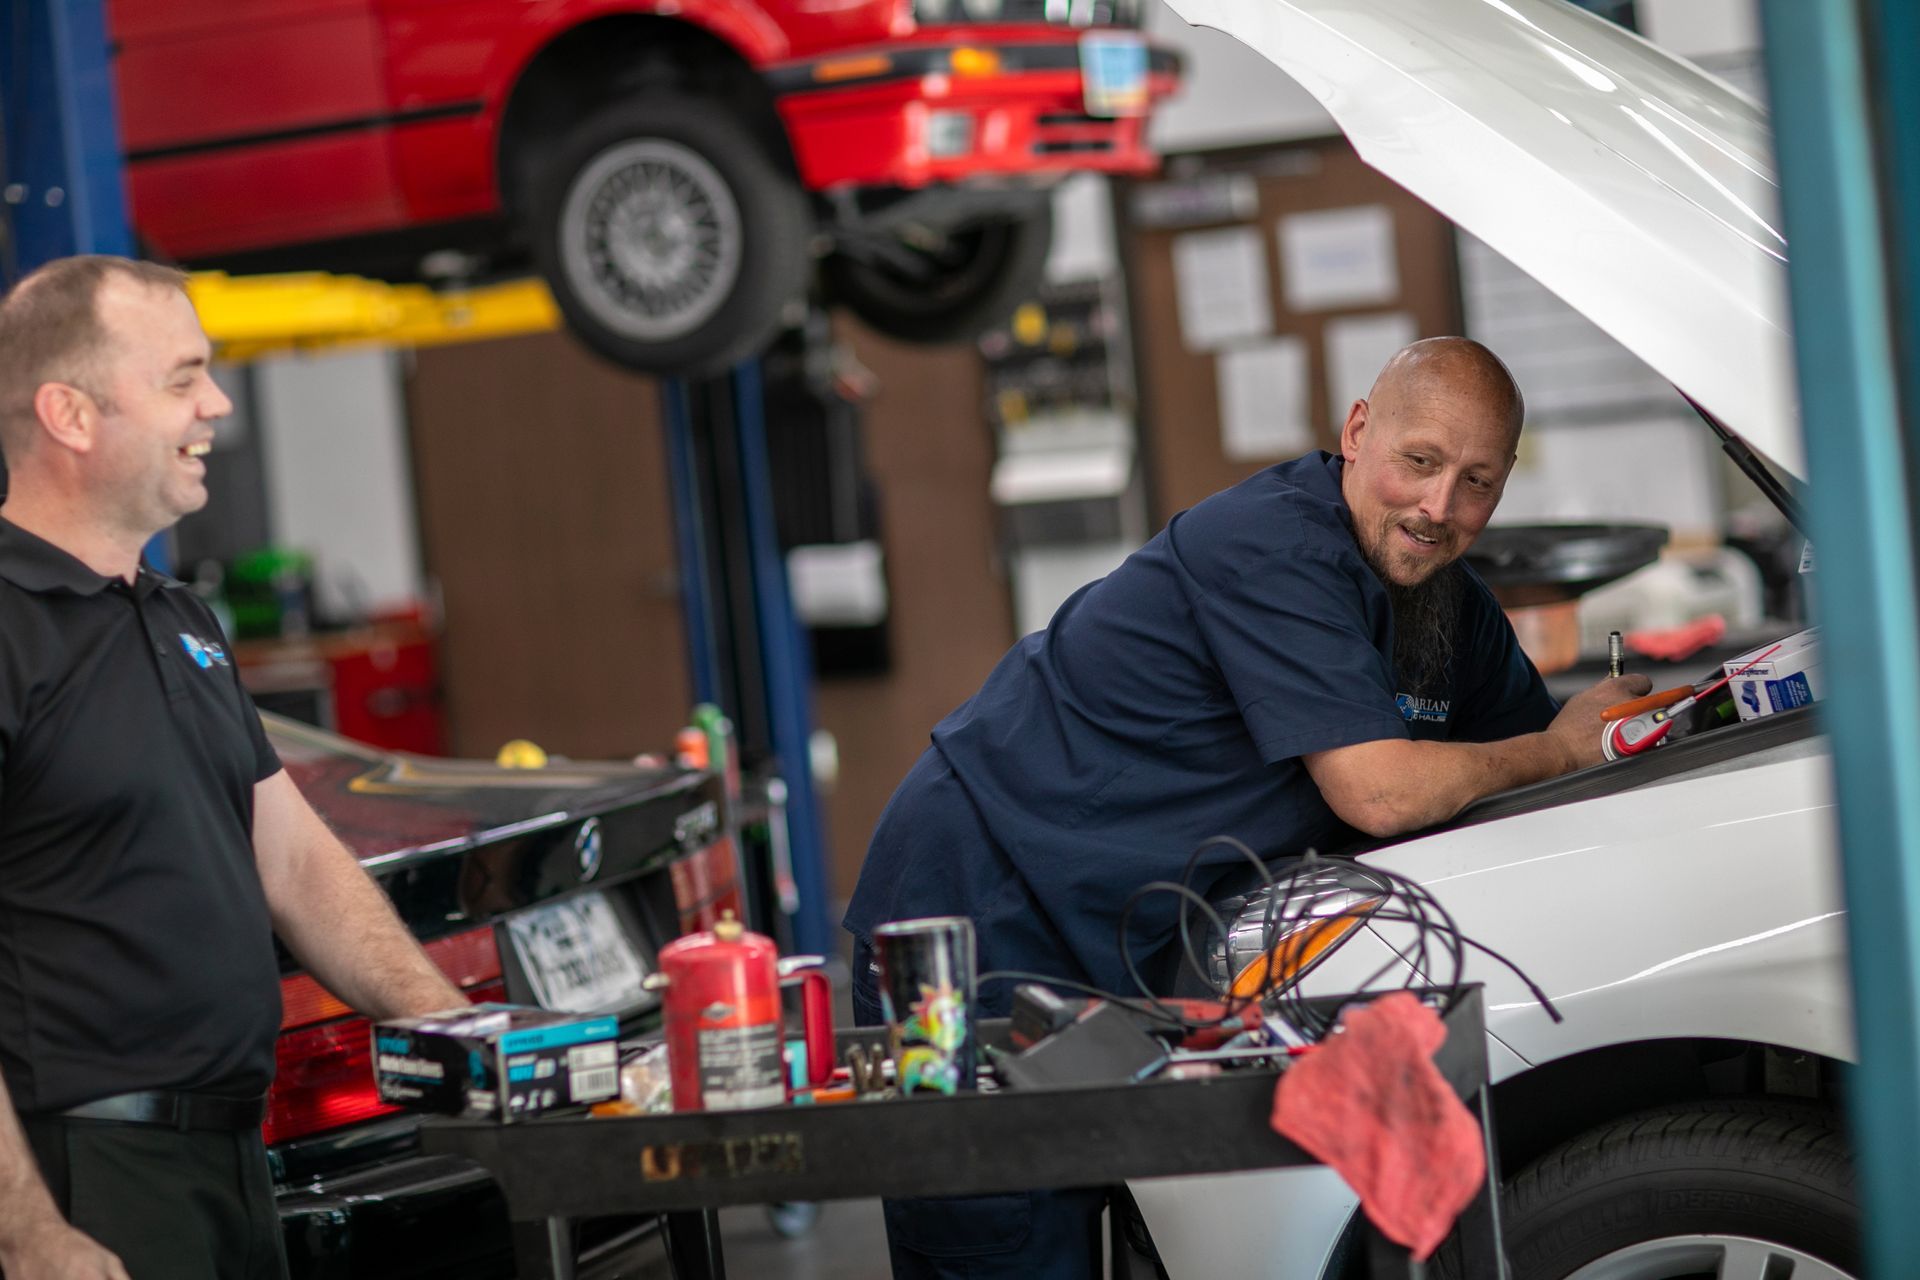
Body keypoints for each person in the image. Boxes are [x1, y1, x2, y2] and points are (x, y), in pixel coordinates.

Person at [843, 337, 1651, 1278]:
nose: (1438, 508)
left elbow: (1528, 777)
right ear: (1357, 432)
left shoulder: (1448, 605)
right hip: (974, 915)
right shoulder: (1274, 544)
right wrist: (1557, 744)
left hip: (1122, 943)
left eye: (1476, 481)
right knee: (1006, 1245)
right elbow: (1383, 791)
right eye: (1419, 461)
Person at [0, 256, 471, 1280]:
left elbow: (295, 862)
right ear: (69, 414)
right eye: (183, 377)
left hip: (232, 1153)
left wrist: (460, 1033)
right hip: (85, 1168)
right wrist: (29, 1232)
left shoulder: (178, 617)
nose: (216, 402)